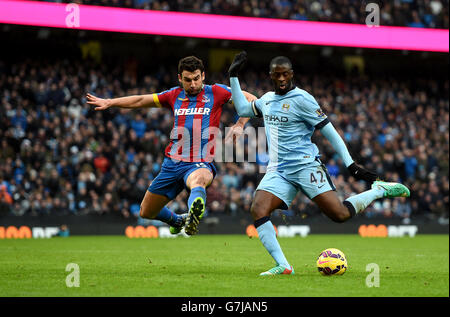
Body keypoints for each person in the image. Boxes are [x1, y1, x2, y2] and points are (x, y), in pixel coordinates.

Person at [228, 51, 410, 276]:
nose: (282, 79)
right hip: (279, 170)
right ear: (271, 76)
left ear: (291, 74)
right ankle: (284, 266)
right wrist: (233, 76)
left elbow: (330, 132)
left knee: (340, 215)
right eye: (277, 75)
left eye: (285, 74)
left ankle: (378, 190)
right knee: (258, 208)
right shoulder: (266, 99)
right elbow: (243, 110)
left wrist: (351, 164)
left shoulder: (303, 99)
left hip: (306, 166)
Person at [87, 56, 255, 235]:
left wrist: (240, 124)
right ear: (180, 79)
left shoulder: (216, 92)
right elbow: (140, 101)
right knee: (147, 211)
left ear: (203, 76)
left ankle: (194, 214)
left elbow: (251, 98)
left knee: (198, 181)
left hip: (200, 162)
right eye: (188, 80)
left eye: (196, 78)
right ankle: (178, 220)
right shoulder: (173, 95)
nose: (192, 84)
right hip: (172, 164)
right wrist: (110, 102)